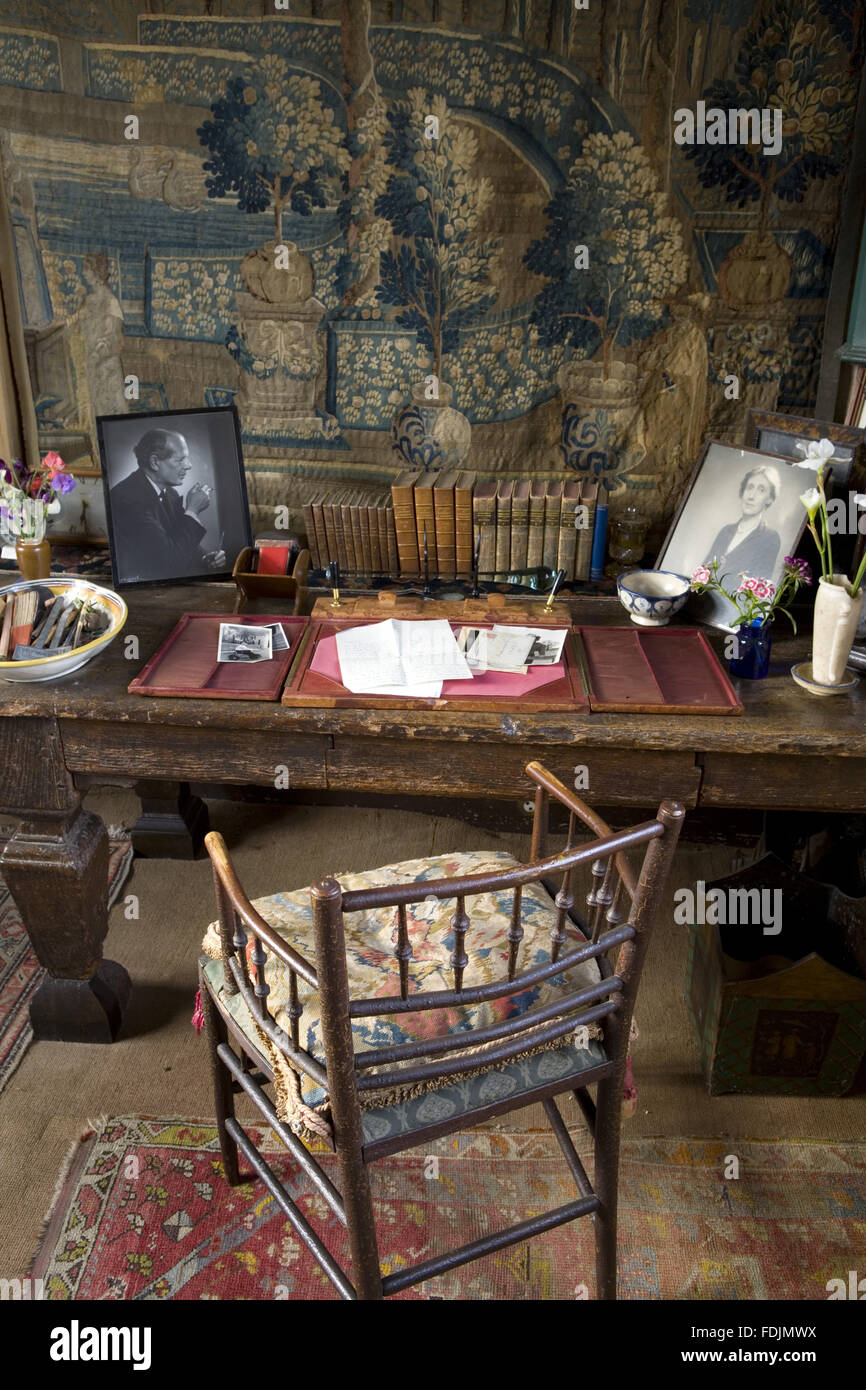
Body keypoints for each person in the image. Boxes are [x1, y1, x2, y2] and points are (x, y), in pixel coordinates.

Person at [109, 429, 226, 580]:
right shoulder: (125, 499)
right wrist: (192, 511)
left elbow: (178, 539)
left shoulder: (170, 494)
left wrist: (204, 558)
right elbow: (166, 563)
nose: (188, 465)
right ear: (155, 462)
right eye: (180, 460)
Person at [705, 465, 782, 583]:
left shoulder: (769, 538)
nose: (751, 496)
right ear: (743, 491)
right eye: (749, 488)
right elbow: (703, 572)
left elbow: (756, 589)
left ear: (769, 499)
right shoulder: (726, 531)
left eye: (761, 490)